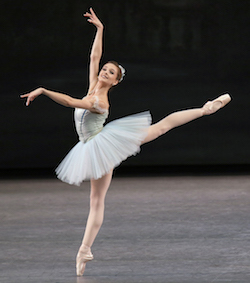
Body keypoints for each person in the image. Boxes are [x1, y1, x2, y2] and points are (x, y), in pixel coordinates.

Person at [21, 8, 231, 276]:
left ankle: (205, 110)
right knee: (98, 199)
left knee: (159, 130)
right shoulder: (92, 87)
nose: (105, 72)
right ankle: (85, 249)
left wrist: (43, 90)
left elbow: (71, 102)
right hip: (94, 144)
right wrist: (100, 30)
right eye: (105, 70)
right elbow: (94, 56)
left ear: (116, 82)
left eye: (111, 73)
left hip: (102, 147)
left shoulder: (98, 100)